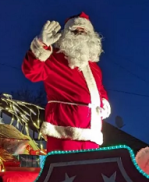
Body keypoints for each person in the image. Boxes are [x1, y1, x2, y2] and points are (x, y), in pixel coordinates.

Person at [22, 12, 111, 151]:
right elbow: (32, 72)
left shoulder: (94, 67)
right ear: (66, 35)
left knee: (90, 171)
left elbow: (99, 89)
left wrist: (104, 101)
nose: (80, 34)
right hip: (63, 132)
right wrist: (41, 45)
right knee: (64, 170)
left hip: (92, 132)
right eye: (75, 31)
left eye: (84, 31)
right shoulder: (53, 58)